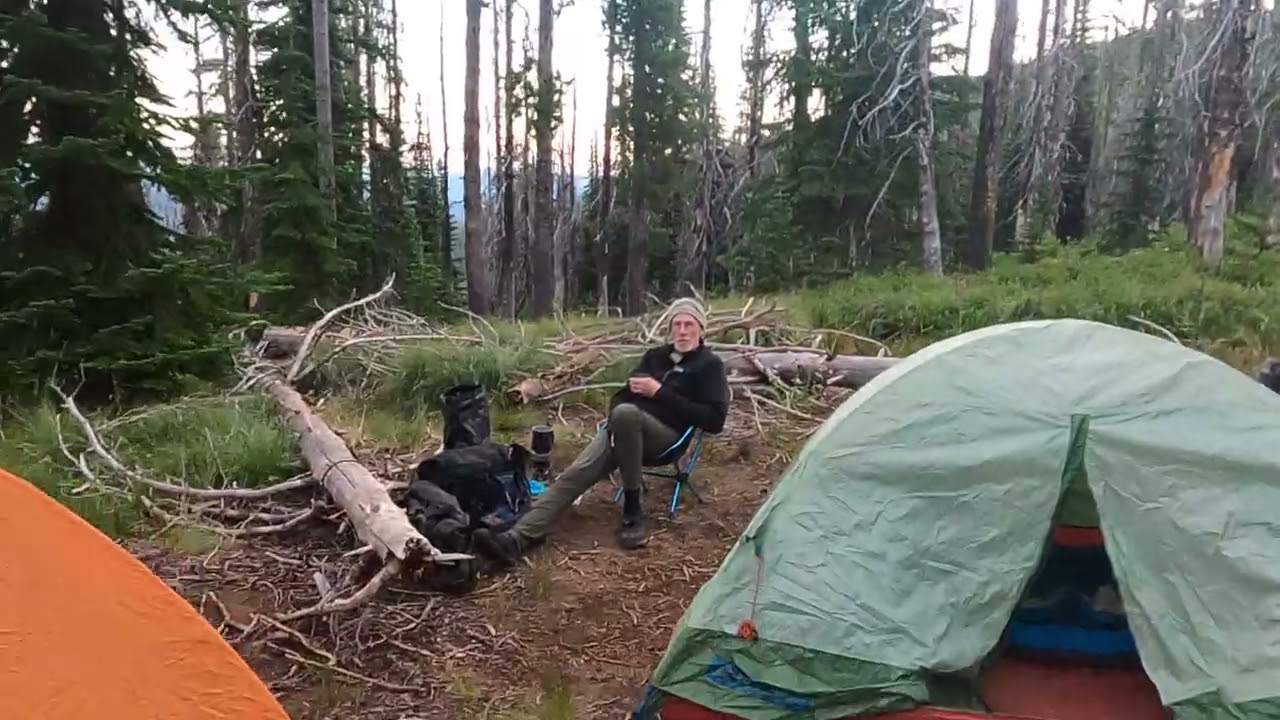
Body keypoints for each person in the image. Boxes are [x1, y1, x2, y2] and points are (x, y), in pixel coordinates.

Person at [473, 297, 730, 565]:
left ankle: (632, 510)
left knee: (627, 414)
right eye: (677, 324)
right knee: (574, 474)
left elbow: (714, 420)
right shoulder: (655, 357)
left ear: (701, 329)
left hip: (665, 439)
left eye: (689, 324)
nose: (682, 330)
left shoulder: (709, 366)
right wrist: (615, 423)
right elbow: (621, 396)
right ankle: (516, 540)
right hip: (623, 430)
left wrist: (660, 392)